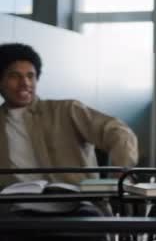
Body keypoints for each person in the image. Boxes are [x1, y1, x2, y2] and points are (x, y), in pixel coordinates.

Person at [0, 43, 138, 186]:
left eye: (31, 76)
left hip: (77, 202)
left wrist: (121, 170)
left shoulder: (66, 110)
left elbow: (119, 132)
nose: (25, 83)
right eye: (14, 76)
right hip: (17, 206)